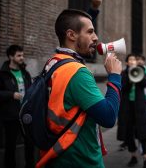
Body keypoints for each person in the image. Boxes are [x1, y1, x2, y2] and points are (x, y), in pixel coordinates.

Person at [35, 9, 122, 168]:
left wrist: (94, 8)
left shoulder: (54, 62)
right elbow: (109, 117)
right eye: (90, 32)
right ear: (71, 35)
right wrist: (115, 76)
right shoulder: (77, 73)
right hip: (81, 159)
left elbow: (73, 22)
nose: (96, 38)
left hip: (60, 155)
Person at [0, 45, 35, 168]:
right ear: (11, 56)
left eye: (22, 55)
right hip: (10, 116)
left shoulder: (25, 73)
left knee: (30, 144)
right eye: (19, 55)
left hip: (25, 115)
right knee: (10, 146)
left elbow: (30, 91)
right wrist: (11, 95)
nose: (22, 58)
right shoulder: (1, 74)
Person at [117, 54, 146, 168]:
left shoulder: (141, 70)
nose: (133, 61)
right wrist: (130, 78)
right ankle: (133, 156)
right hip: (127, 107)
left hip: (140, 106)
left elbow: (145, 83)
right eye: (130, 59)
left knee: (143, 131)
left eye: (134, 59)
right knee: (129, 132)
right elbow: (123, 88)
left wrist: (138, 74)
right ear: (127, 63)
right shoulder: (123, 74)